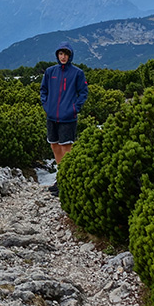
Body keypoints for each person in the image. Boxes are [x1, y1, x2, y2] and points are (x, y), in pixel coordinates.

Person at [39, 41, 88, 194]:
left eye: (66, 54)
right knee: (54, 145)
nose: (63, 57)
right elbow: (43, 90)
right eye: (61, 54)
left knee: (66, 147)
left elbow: (83, 93)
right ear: (57, 55)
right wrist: (46, 106)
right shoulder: (50, 72)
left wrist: (74, 109)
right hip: (52, 116)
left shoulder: (77, 73)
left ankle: (67, 180)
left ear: (70, 55)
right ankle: (61, 177)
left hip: (68, 117)